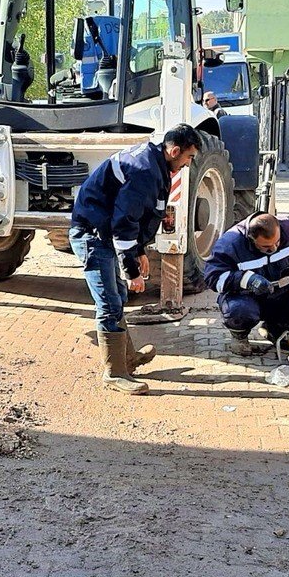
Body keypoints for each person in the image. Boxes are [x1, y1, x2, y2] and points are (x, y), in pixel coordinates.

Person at [70, 124, 201, 394]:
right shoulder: (145, 171)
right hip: (93, 236)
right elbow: (124, 223)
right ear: (175, 151)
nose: (188, 164)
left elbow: (138, 214)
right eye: (189, 157)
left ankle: (126, 359)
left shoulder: (154, 163)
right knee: (109, 303)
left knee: (116, 296)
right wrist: (132, 272)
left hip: (101, 232)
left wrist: (139, 250)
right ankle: (114, 373)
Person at [203, 212, 289, 356]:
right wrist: (247, 280)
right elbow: (212, 277)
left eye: (277, 242)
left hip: (283, 294)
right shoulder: (231, 243)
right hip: (246, 298)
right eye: (266, 246)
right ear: (251, 239)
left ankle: (275, 329)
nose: (274, 249)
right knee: (239, 311)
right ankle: (240, 336)